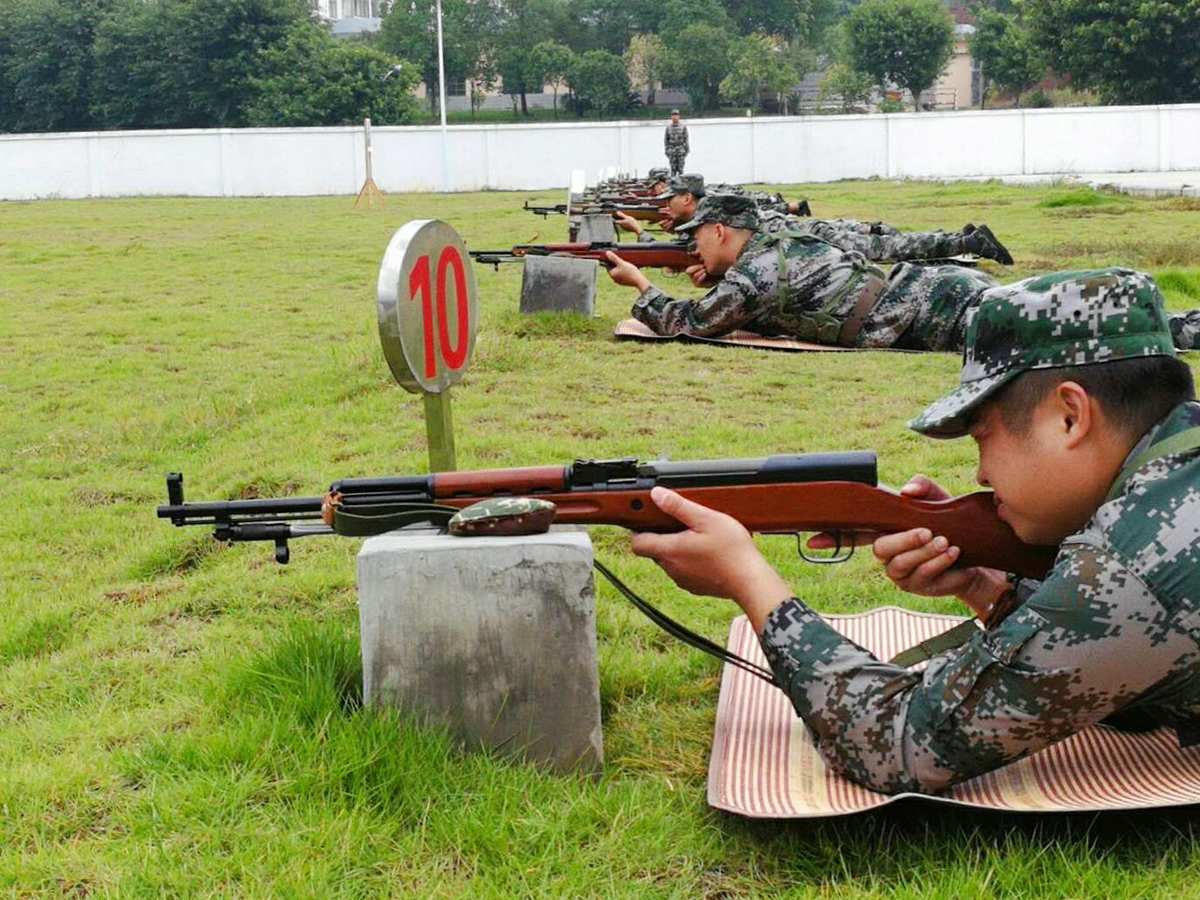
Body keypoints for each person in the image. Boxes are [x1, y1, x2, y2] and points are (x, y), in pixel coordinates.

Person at [627, 275, 1200, 793]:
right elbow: (1129, 684)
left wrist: (750, 581)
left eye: (982, 436)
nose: (980, 474)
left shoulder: (1133, 562)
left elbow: (902, 746)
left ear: (1070, 416)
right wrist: (985, 587)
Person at [605, 193, 1200, 351]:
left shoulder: (753, 277)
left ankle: (1179, 330)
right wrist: (725, 280)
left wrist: (640, 284)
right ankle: (1174, 320)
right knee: (1044, 306)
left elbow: (688, 323)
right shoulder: (778, 242)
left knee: (1047, 326)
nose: (693, 255)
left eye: (697, 243)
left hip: (926, 307)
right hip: (929, 288)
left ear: (719, 231)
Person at [615, 175, 1012, 266]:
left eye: (670, 200)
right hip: (806, 238)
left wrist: (638, 235)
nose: (665, 206)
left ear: (689, 198)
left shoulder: (713, 212)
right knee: (883, 247)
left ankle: (967, 243)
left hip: (810, 240)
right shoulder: (710, 215)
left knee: (887, 251)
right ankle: (957, 240)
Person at [664, 110, 689, 177]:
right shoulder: (668, 128)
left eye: (676, 115)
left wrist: (686, 151)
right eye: (673, 115)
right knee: (673, 170)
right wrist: (667, 151)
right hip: (672, 151)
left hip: (681, 150)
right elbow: (666, 140)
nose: (675, 117)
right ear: (671, 117)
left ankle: (681, 185)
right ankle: (673, 186)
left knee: (681, 170)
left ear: (679, 116)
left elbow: (686, 139)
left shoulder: (683, 127)